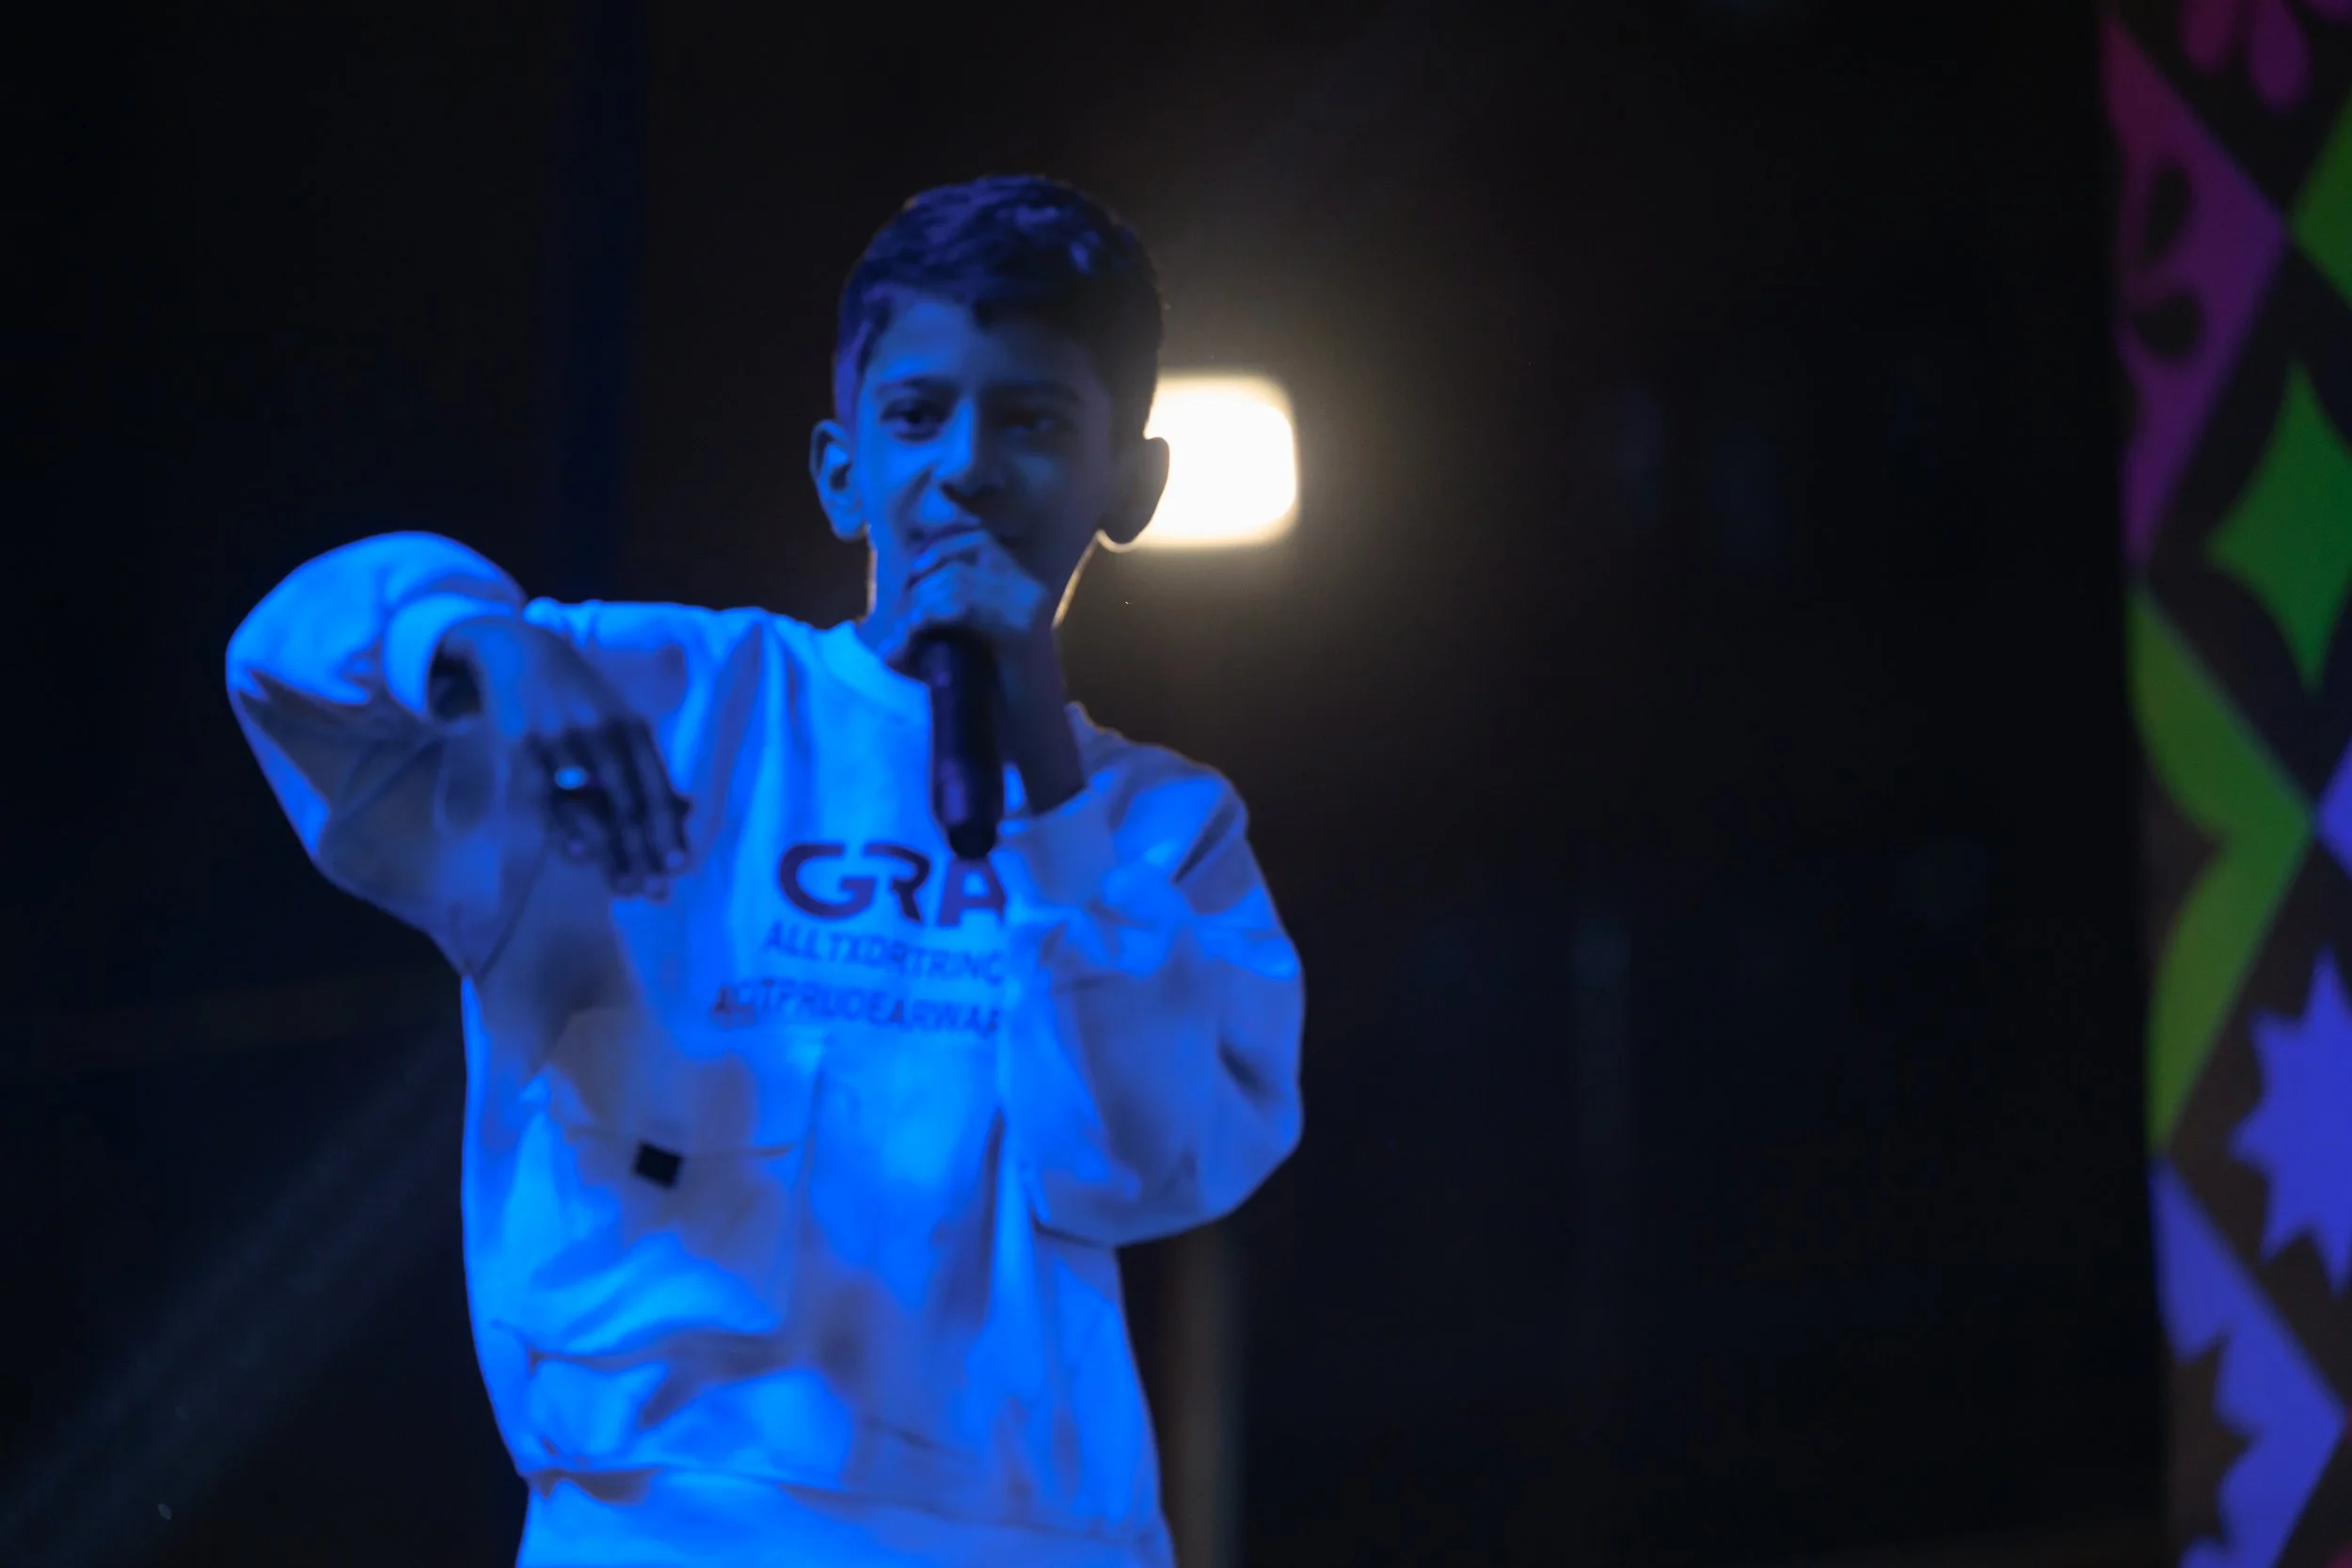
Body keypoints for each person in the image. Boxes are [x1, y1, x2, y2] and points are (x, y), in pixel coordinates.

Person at [225, 175, 1305, 1568]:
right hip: (664, 1519)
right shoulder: (665, 698)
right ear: (840, 469)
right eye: (916, 415)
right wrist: (479, 641)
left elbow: (1146, 1166)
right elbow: (285, 669)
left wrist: (1041, 767)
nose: (967, 466)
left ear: (1131, 486)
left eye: (1032, 422)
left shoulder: (1167, 829)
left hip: (1028, 1536)